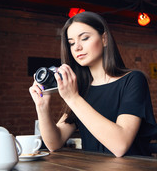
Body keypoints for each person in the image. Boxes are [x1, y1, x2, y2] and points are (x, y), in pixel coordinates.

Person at [29, 11, 157, 157]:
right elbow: (54, 143)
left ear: (104, 39)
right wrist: (42, 106)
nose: (77, 47)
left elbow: (120, 145)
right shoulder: (81, 90)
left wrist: (73, 98)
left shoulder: (133, 80)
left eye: (84, 38)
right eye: (71, 43)